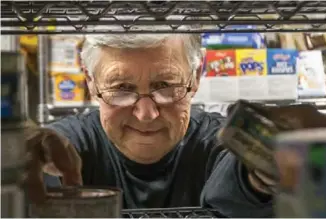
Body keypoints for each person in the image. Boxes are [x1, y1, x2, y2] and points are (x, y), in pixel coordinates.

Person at [25, 34, 276, 217]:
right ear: (91, 82)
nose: (146, 114)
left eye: (165, 86)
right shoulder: (71, 146)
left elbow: (245, 171)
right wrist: (15, 155)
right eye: (121, 88)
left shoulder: (219, 145)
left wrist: (261, 175)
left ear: (196, 77)